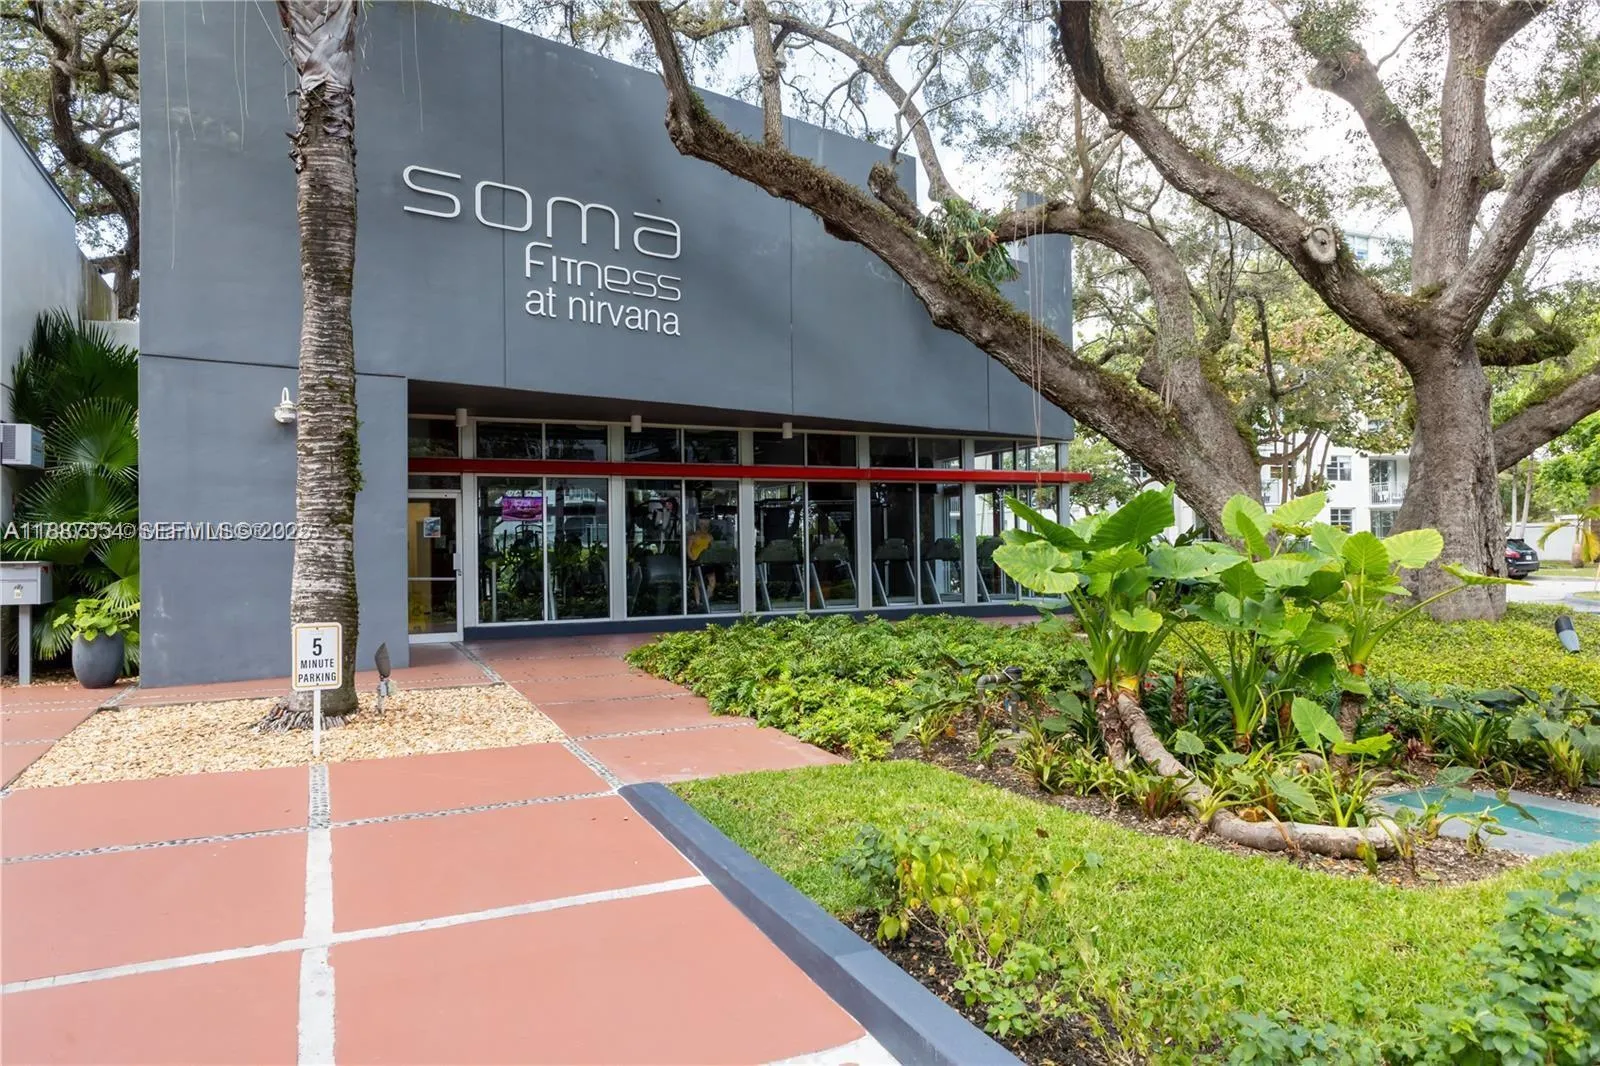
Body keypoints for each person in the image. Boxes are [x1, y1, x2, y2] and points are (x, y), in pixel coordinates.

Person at [688, 517, 718, 608]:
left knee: (712, 582)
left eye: (706, 524)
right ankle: (698, 603)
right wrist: (692, 558)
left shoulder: (710, 537)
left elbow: (712, 549)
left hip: (707, 561)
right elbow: (688, 549)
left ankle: (706, 600)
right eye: (702, 524)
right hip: (697, 561)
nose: (704, 526)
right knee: (697, 583)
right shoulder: (693, 536)